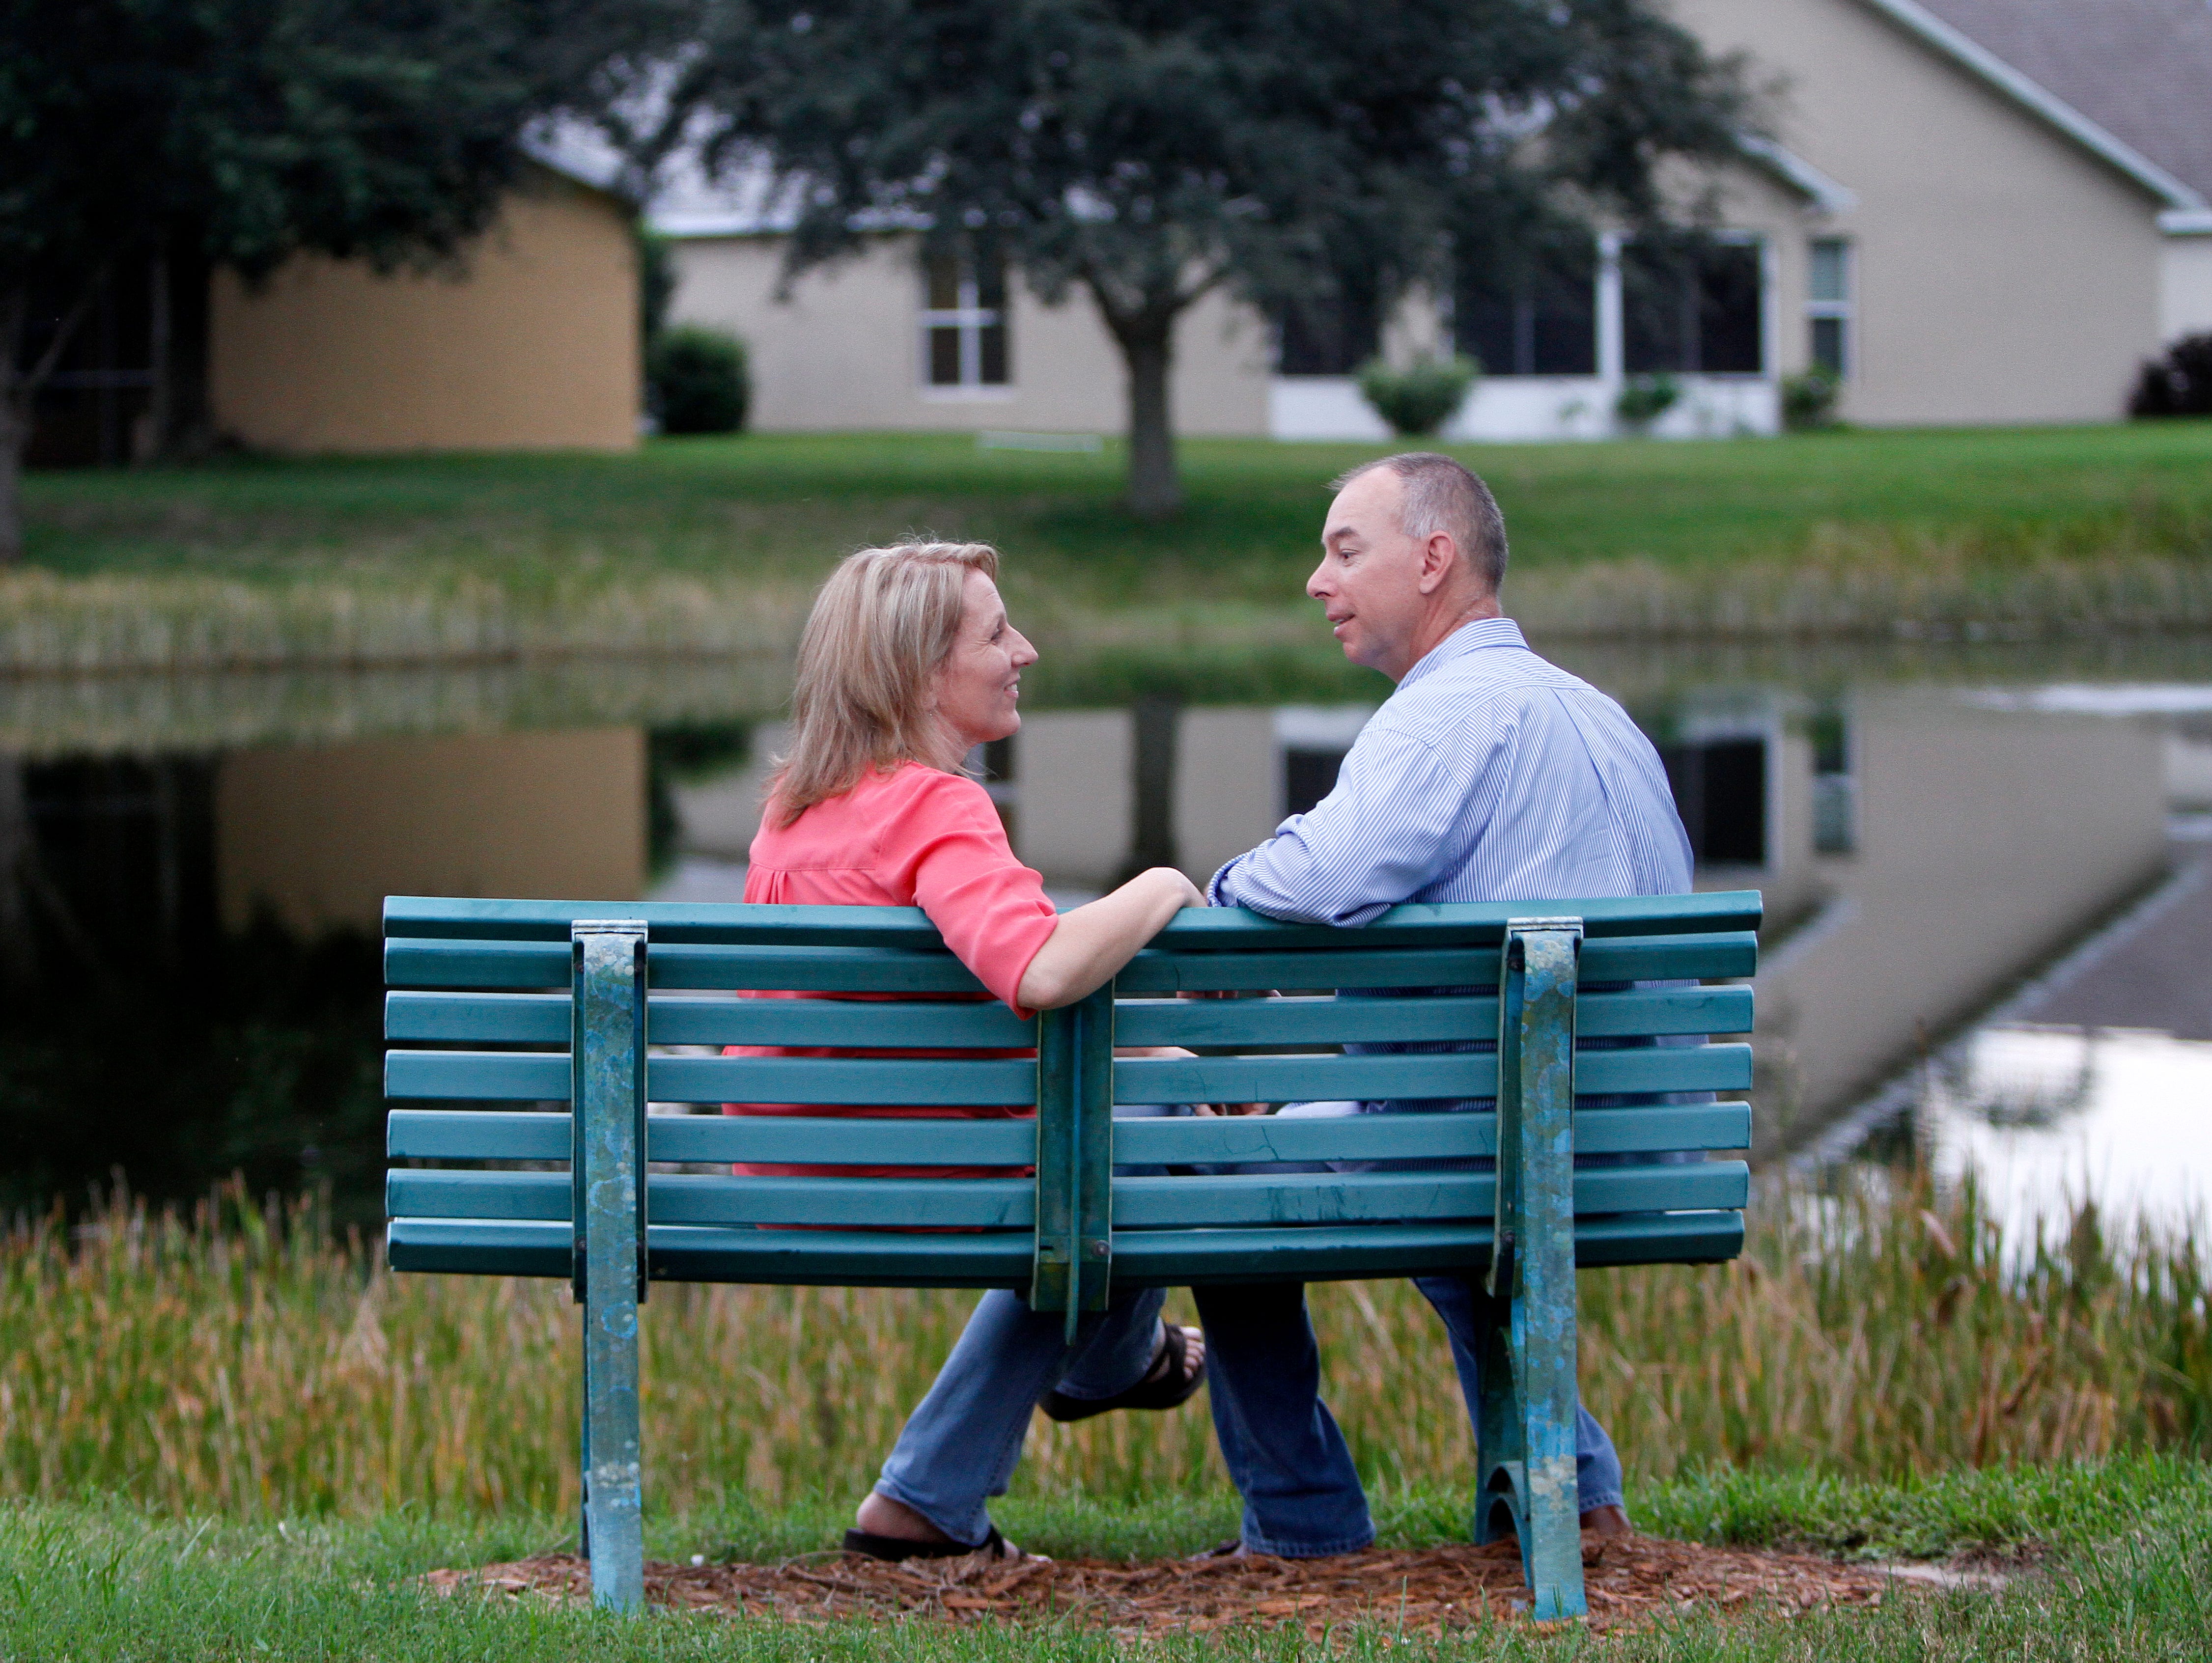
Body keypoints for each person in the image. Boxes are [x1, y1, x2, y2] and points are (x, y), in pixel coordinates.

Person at [1190, 452, 1694, 1558]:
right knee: (1451, 1171)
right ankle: (1576, 1488)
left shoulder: (1445, 715)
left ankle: (1302, 1519)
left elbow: (1319, 875)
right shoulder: (1599, 714)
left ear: (1432, 560)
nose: (1316, 582)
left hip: (1491, 1144)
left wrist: (1214, 894)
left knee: (1214, 1183)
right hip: (1637, 1147)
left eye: (1342, 550)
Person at [730, 541, 1209, 1563]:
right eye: (996, 634)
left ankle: (1054, 1409)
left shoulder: (790, 814)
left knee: (1131, 1113)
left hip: (785, 1177)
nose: (1023, 650)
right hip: (928, 1177)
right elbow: (1032, 968)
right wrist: (1160, 883)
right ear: (916, 673)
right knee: (1148, 1126)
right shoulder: (937, 806)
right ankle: (1096, 1376)